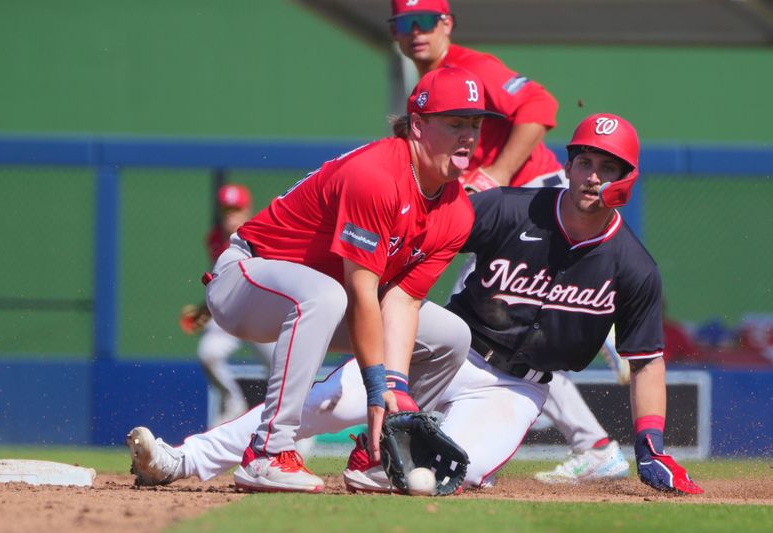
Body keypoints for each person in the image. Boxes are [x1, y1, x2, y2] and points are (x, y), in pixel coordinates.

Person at [126, 113, 703, 496]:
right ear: (569, 163)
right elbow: (424, 231)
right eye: (584, 160)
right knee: (320, 404)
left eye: (609, 167)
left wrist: (650, 442)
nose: (592, 176)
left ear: (628, 178)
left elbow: (647, 358)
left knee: (446, 473)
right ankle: (182, 460)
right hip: (449, 353)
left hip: (519, 389)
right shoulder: (511, 210)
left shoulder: (633, 267)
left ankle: (372, 463)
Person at [128, 66, 506, 493]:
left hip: (328, 298)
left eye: (475, 125)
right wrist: (376, 384)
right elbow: (363, 290)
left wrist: (394, 392)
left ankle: (378, 455)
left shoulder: (457, 212)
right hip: (246, 278)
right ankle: (268, 452)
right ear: (417, 125)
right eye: (455, 123)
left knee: (451, 335)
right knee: (325, 295)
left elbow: (401, 303)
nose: (469, 136)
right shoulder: (378, 176)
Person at [389, 0, 629, 482]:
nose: (416, 32)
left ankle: (587, 431)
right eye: (403, 23)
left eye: (426, 21)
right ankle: (589, 440)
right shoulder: (426, 84)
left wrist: (495, 175)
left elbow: (541, 107)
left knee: (485, 326)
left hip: (535, 200)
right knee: (512, 336)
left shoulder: (472, 67)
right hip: (503, 207)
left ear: (447, 24)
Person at [187, 184, 276, 426]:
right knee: (209, 353)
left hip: (262, 312)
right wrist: (206, 308)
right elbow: (225, 280)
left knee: (282, 370)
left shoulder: (262, 233)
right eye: (226, 210)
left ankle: (294, 427)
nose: (230, 215)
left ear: (247, 211)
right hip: (231, 313)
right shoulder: (215, 238)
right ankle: (233, 400)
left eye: (235, 210)